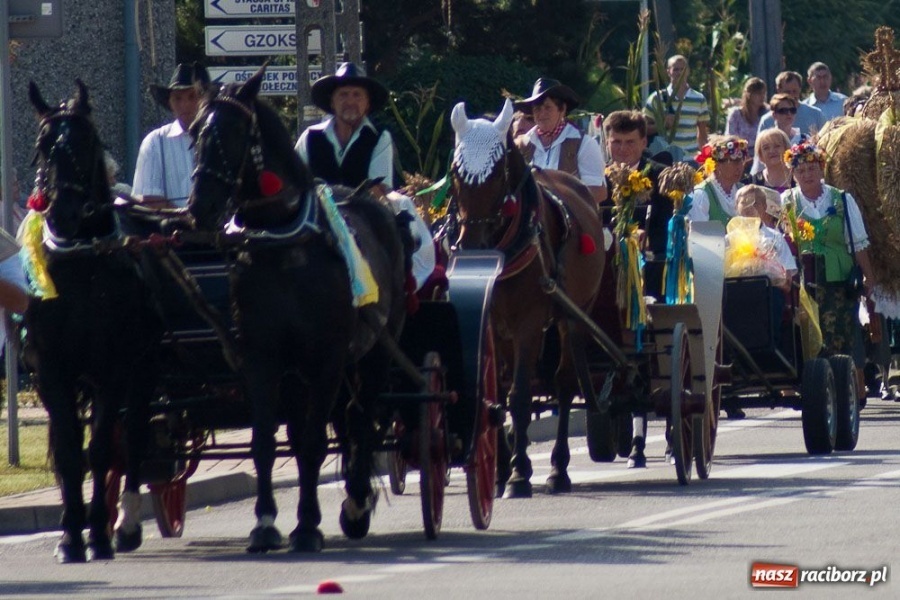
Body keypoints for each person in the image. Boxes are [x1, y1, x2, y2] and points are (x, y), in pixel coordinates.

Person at [783, 141, 875, 399]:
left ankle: (845, 391)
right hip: (805, 283)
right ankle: (817, 390)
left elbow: (858, 242)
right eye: (800, 170)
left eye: (812, 168)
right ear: (793, 174)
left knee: (841, 336)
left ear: (822, 169)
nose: (807, 175)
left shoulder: (842, 199)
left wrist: (869, 277)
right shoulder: (787, 201)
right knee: (811, 336)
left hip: (838, 281)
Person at [295, 62, 394, 197]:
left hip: (362, 214)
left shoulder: (379, 137)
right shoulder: (310, 137)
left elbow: (378, 191)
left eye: (357, 95)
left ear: (367, 103)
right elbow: (294, 182)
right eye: (343, 94)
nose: (350, 102)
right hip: (317, 215)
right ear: (332, 102)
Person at [603, 110, 670, 300]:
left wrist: (643, 239)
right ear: (607, 143)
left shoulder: (661, 176)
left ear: (643, 143)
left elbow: (665, 227)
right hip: (606, 264)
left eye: (630, 142)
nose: (622, 149)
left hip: (650, 268)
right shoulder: (598, 180)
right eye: (616, 142)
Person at [513, 78, 608, 207]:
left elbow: (599, 192)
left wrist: (558, 201)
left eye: (548, 107)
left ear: (562, 109)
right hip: (530, 222)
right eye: (537, 109)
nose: (542, 114)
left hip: (572, 222)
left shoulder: (584, 144)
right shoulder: (521, 145)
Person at [132, 62, 211, 208]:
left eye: (192, 96)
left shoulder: (219, 138)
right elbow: (149, 199)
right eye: (178, 98)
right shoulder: (155, 142)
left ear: (205, 100)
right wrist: (187, 220)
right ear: (170, 103)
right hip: (171, 228)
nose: (185, 105)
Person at [643, 55, 710, 157]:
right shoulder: (657, 98)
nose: (679, 73)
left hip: (689, 158)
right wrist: (661, 126)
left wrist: (705, 157)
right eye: (676, 69)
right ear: (668, 71)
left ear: (688, 71)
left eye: (682, 69)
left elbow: (702, 134)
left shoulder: (699, 99)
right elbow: (642, 128)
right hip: (663, 158)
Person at [688, 135, 750, 224]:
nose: (739, 166)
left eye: (741, 160)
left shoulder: (744, 191)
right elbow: (699, 235)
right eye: (734, 161)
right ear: (717, 164)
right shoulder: (701, 194)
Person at [757, 71, 825, 138]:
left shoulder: (816, 115)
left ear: (800, 89)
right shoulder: (767, 121)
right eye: (787, 92)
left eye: (794, 91)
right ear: (779, 90)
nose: (792, 95)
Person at [725, 77, 768, 157]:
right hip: (741, 155)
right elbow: (730, 138)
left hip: (762, 155)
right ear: (748, 94)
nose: (762, 96)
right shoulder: (736, 114)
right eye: (758, 93)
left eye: (764, 93)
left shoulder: (767, 113)